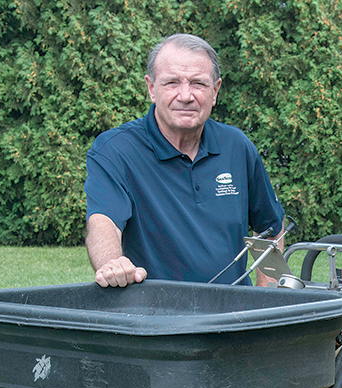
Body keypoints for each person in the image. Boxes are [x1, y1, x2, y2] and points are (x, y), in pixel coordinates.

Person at [84, 34, 285, 287]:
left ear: (215, 91)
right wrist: (112, 263)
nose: (186, 95)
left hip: (234, 319)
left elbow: (270, 230)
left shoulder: (237, 147)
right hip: (155, 318)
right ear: (151, 88)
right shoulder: (116, 150)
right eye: (172, 82)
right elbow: (103, 221)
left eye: (198, 84)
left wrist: (267, 303)